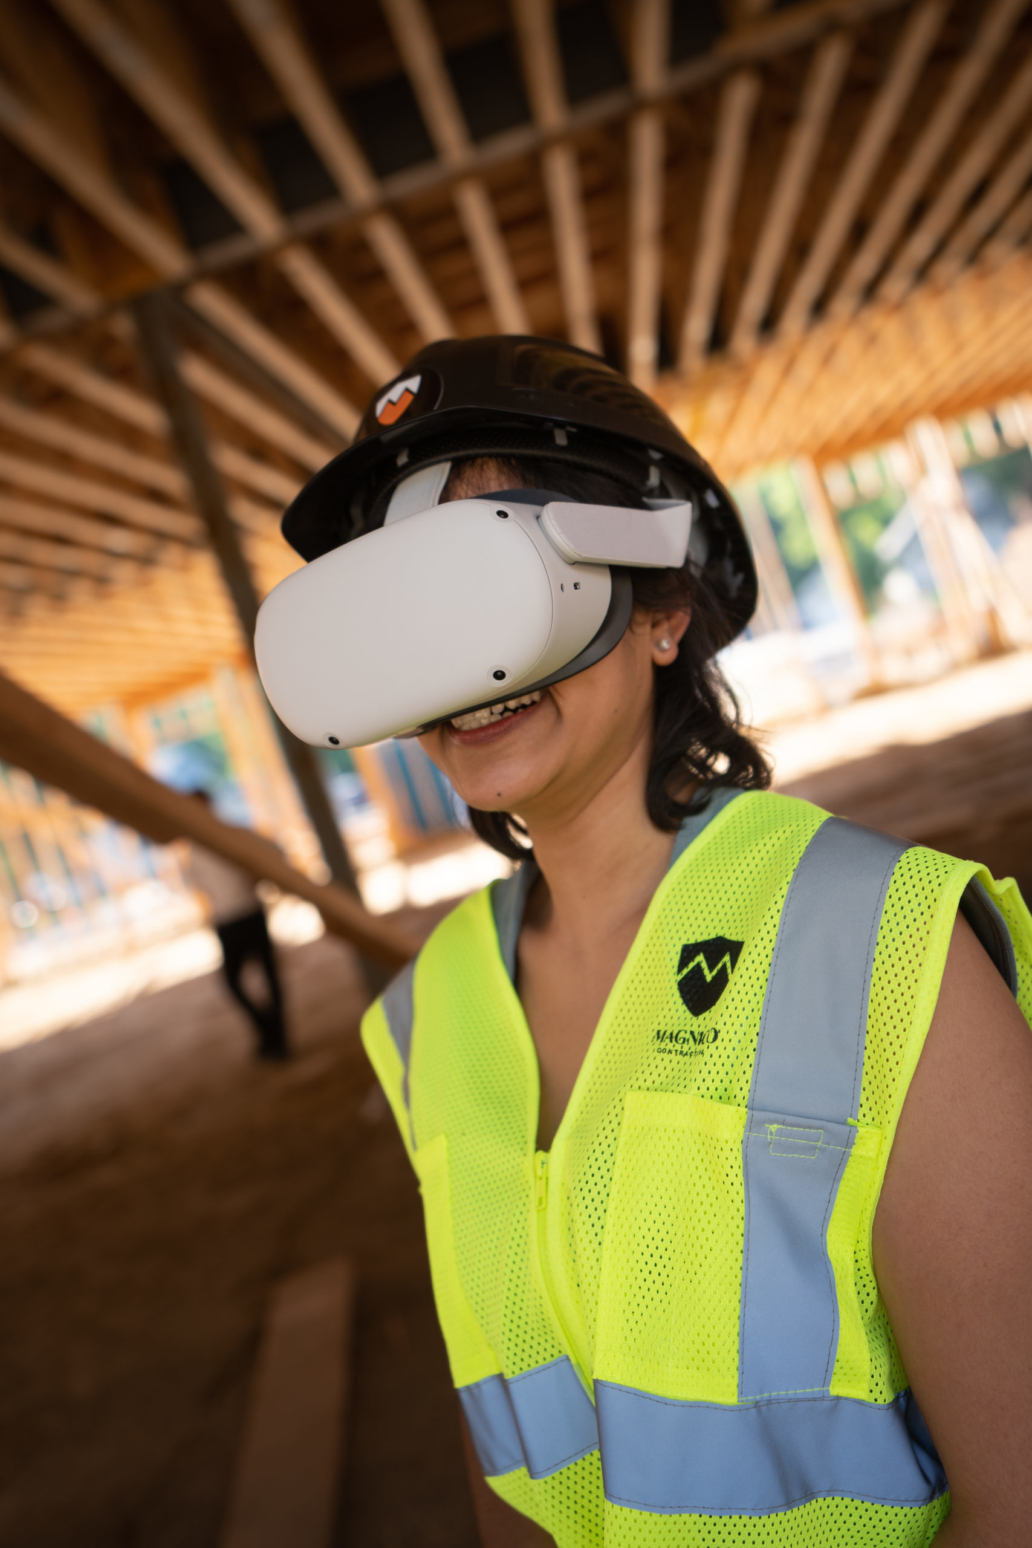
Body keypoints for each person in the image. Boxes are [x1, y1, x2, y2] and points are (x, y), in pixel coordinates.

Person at [272, 337, 1032, 1545]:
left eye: (499, 583)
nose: (468, 670)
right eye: (414, 608)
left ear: (663, 607)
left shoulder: (880, 951)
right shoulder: (432, 1018)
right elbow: (515, 1458)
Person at [180, 790, 289, 1062]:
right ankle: (269, 1029)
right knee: (233, 983)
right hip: (227, 922)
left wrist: (259, 875)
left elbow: (275, 849)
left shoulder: (235, 834)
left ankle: (280, 1039)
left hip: (250, 914)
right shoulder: (192, 849)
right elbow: (199, 887)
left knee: (269, 977)